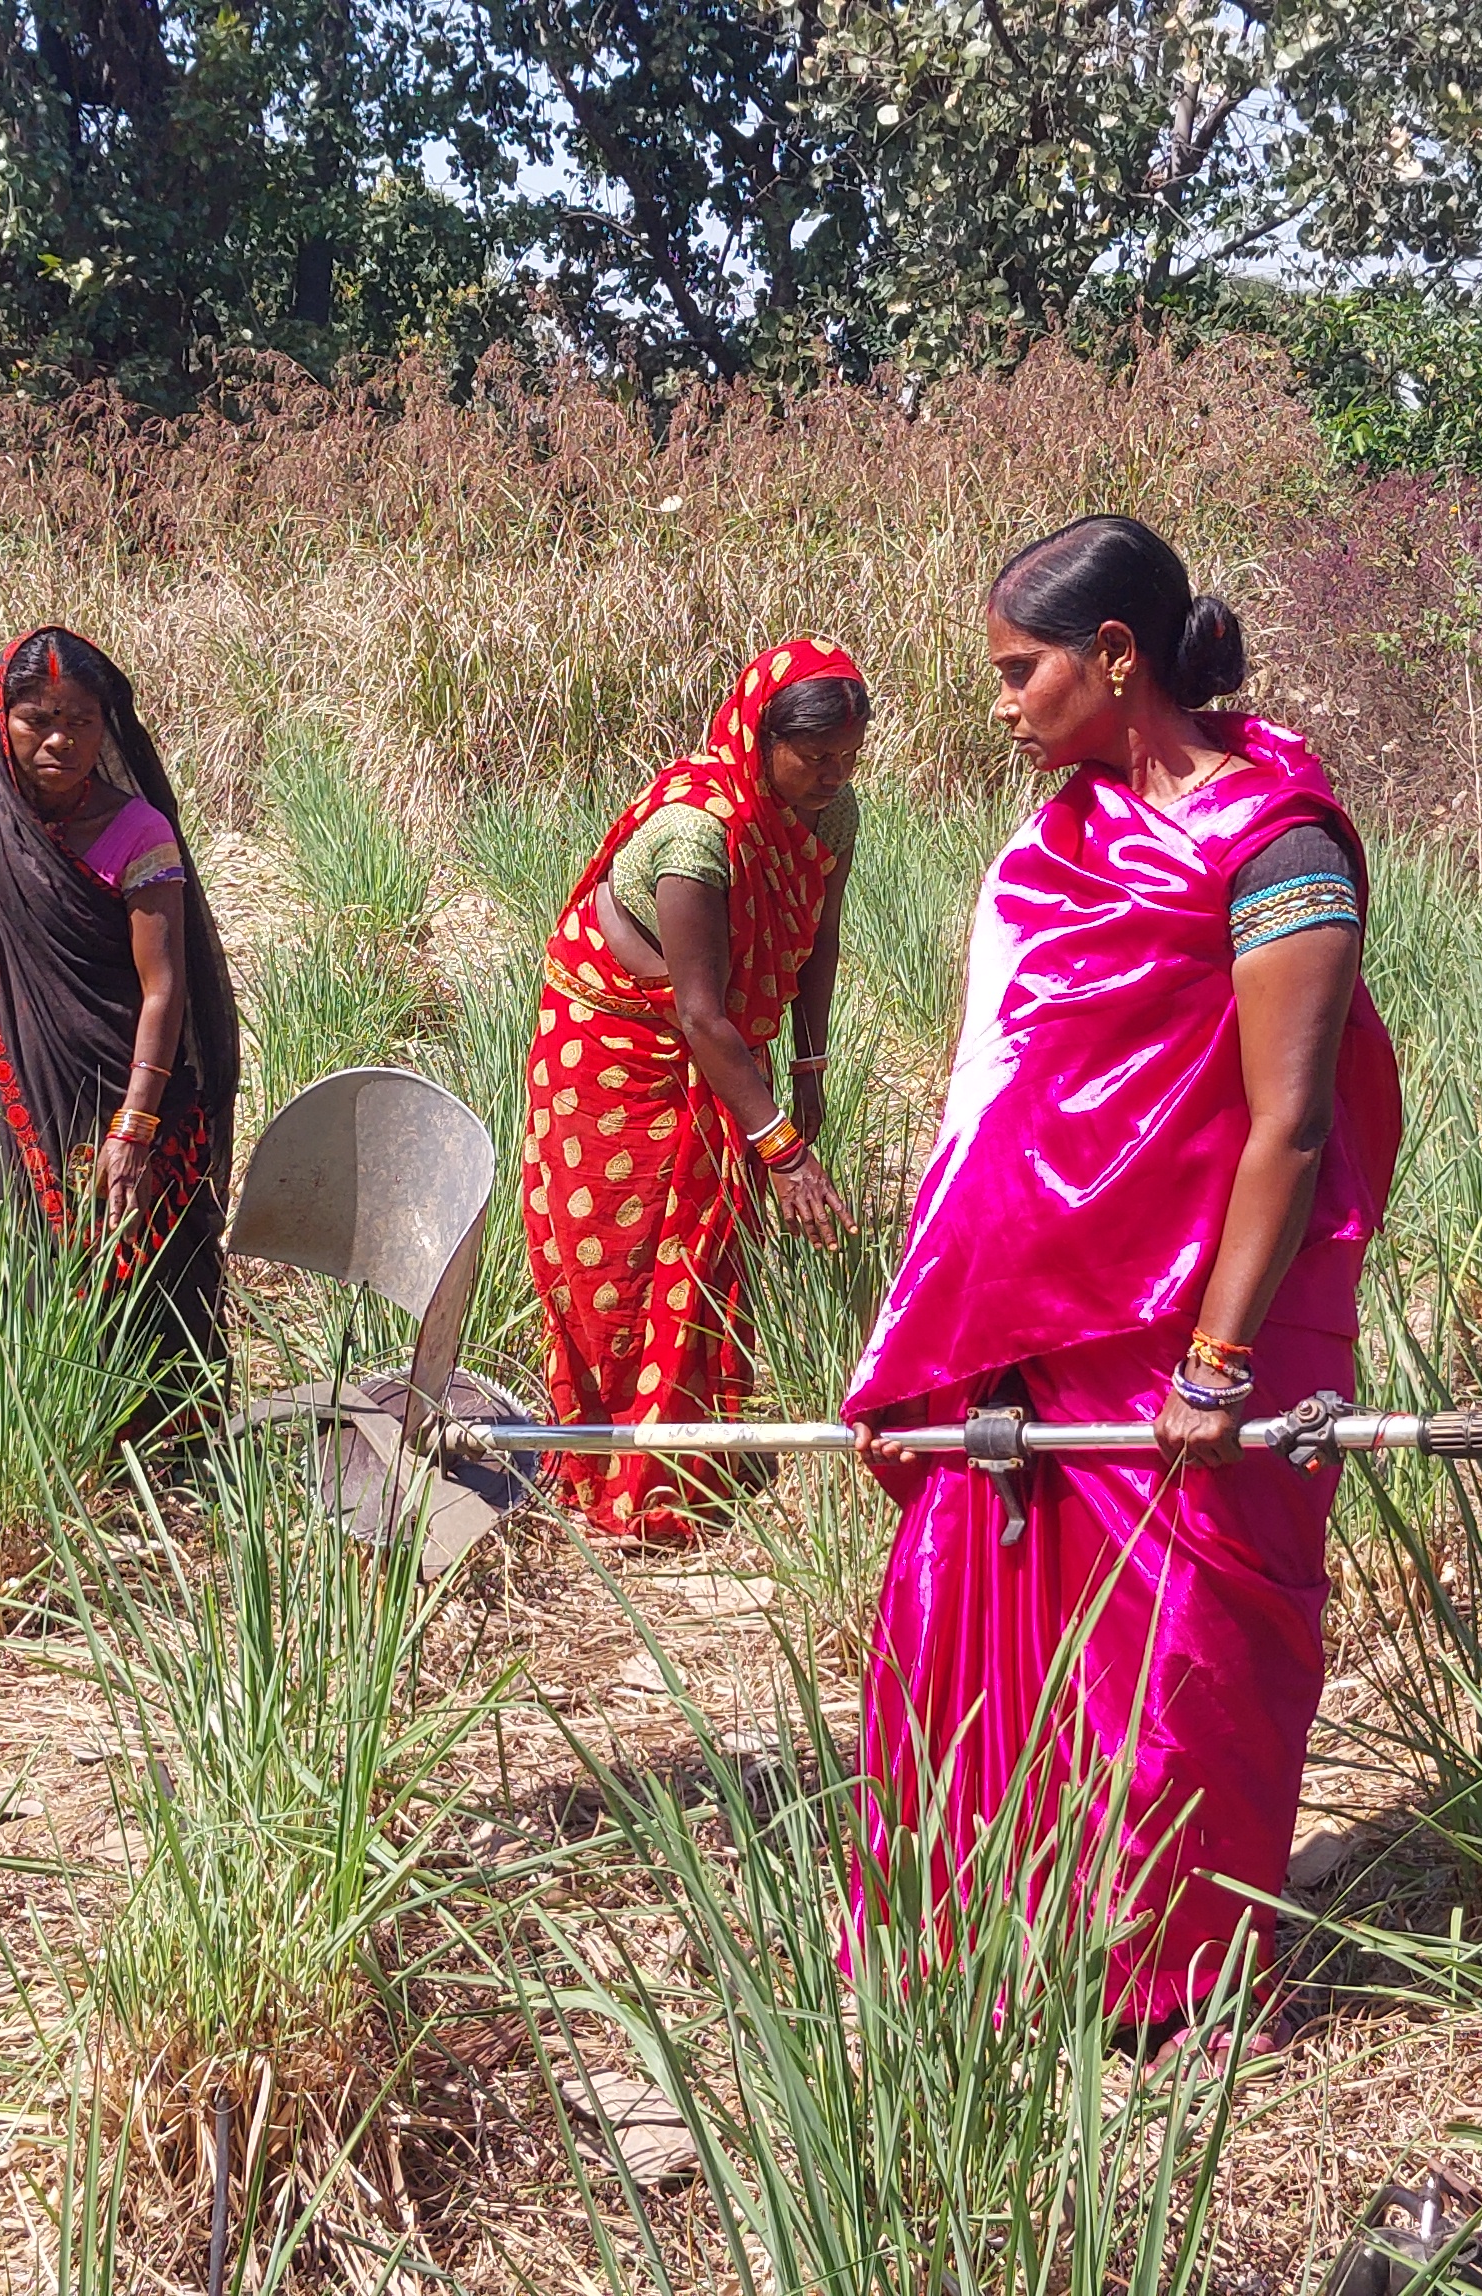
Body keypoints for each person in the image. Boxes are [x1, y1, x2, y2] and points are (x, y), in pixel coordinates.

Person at [845, 517, 1402, 2046]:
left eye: (1022, 671)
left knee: (1192, 1661)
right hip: (1021, 1315)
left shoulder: (1280, 847)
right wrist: (936, 1331)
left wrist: (1218, 1365)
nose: (1006, 702)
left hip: (1206, 1321)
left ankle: (1174, 1989)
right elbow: (995, 1100)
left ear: (1115, 659)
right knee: (981, 1623)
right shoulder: (1055, 845)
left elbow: (1288, 1126)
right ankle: (996, 1961)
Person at [521, 637, 867, 1541]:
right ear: (760, 740)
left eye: (848, 757)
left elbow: (817, 940)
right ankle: (609, 1472)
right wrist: (783, 1148)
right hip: (615, 1050)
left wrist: (807, 1065)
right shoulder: (699, 830)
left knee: (708, 1247)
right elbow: (701, 1012)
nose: (834, 774)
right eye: (815, 757)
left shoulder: (829, 817)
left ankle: (696, 1462)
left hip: (717, 1043)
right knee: (616, 1251)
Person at [0, 627, 238, 1374]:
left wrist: (134, 1127)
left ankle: (144, 1455)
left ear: (107, 728)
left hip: (121, 1087)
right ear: (2, 719)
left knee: (131, 1276)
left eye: (82, 723)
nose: (61, 740)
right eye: (39, 719)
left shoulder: (137, 832)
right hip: (13, 1087)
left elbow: (164, 988)